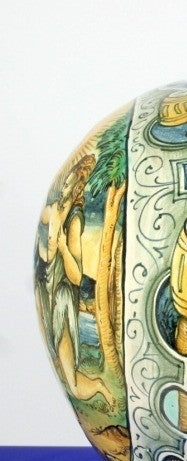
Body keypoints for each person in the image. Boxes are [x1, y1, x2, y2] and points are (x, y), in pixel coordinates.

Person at [36, 155, 116, 410]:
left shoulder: (75, 219)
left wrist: (61, 245)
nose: (66, 189)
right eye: (66, 182)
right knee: (67, 376)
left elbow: (76, 276)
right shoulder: (53, 210)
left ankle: (102, 388)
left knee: (73, 385)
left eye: (72, 185)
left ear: (79, 187)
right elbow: (44, 257)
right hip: (47, 293)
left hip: (62, 299)